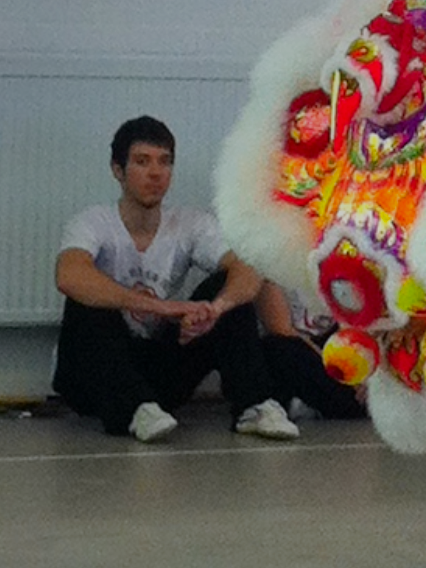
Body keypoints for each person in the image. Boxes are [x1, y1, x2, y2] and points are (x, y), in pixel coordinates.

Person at [52, 116, 299, 442]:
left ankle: (253, 405)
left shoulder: (190, 223)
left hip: (158, 377)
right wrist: (161, 307)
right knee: (86, 300)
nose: (155, 173)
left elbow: (247, 268)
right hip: (94, 378)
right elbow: (68, 275)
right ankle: (134, 408)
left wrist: (215, 309)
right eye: (142, 162)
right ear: (118, 170)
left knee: (227, 287)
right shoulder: (93, 222)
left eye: (164, 162)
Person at [255, 281, 368, 420]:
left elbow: (349, 328)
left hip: (327, 345)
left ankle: (311, 402)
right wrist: (339, 376)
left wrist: (357, 377)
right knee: (283, 349)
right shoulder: (270, 272)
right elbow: (281, 329)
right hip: (291, 346)